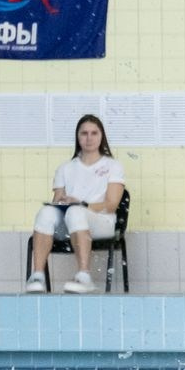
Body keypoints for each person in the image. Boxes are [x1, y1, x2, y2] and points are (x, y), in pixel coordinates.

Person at [26, 113, 124, 293]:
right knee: (45, 213)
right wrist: (62, 202)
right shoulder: (65, 168)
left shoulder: (113, 166)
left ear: (101, 136)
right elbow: (57, 202)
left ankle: (84, 275)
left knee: (76, 212)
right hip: (71, 221)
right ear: (77, 137)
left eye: (94, 133)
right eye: (84, 133)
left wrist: (82, 204)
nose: (89, 138)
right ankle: (38, 275)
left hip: (101, 221)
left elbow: (111, 204)